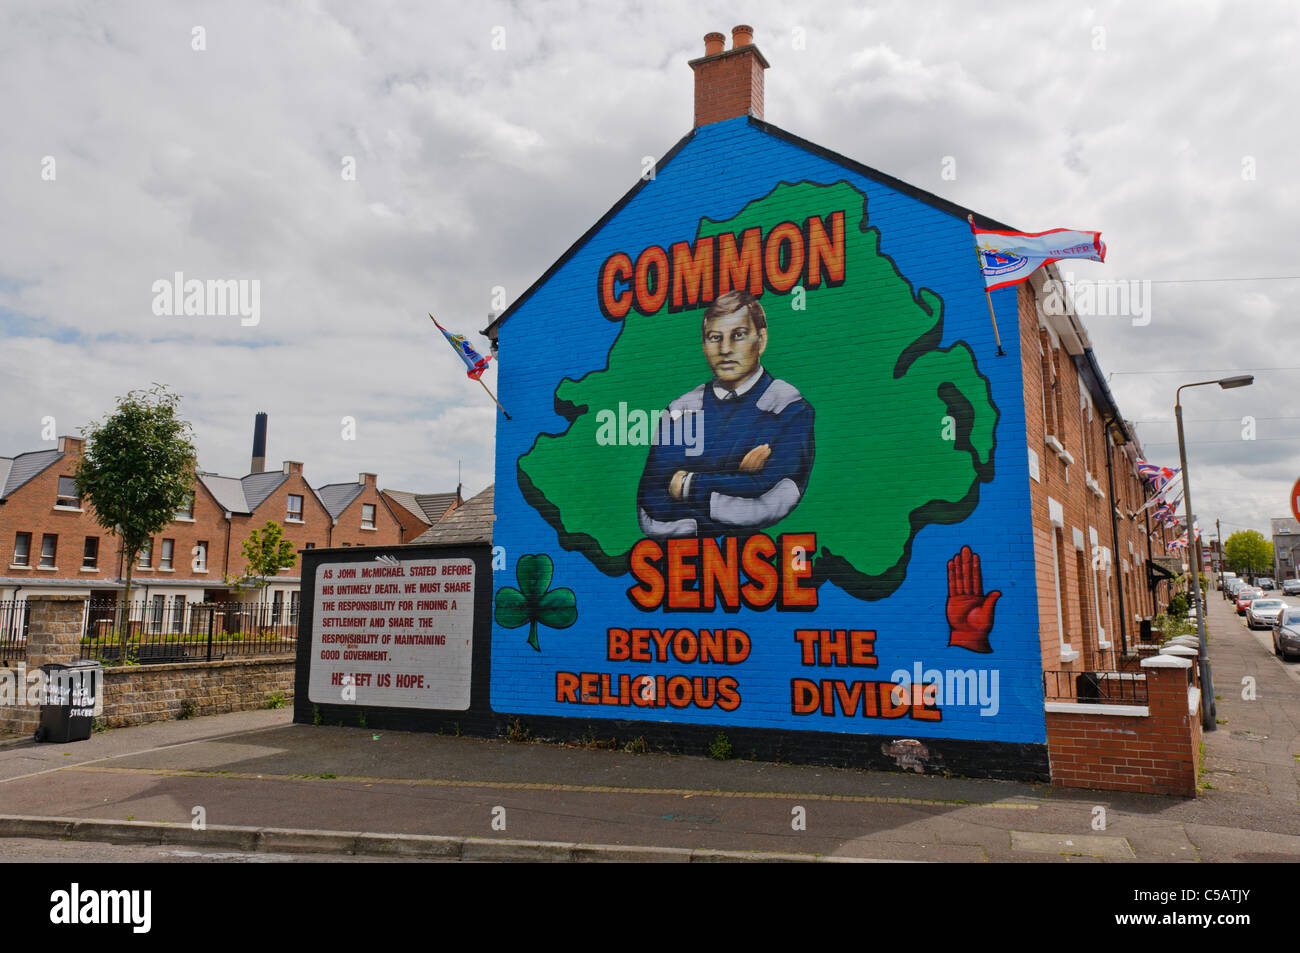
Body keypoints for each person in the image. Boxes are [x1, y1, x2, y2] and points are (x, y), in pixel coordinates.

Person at [637, 290, 815, 539]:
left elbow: (769, 503)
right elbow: (652, 509)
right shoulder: (681, 410)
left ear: (761, 340)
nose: (725, 349)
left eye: (738, 335)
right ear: (703, 344)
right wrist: (739, 477)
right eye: (714, 337)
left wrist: (688, 483)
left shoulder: (788, 408)